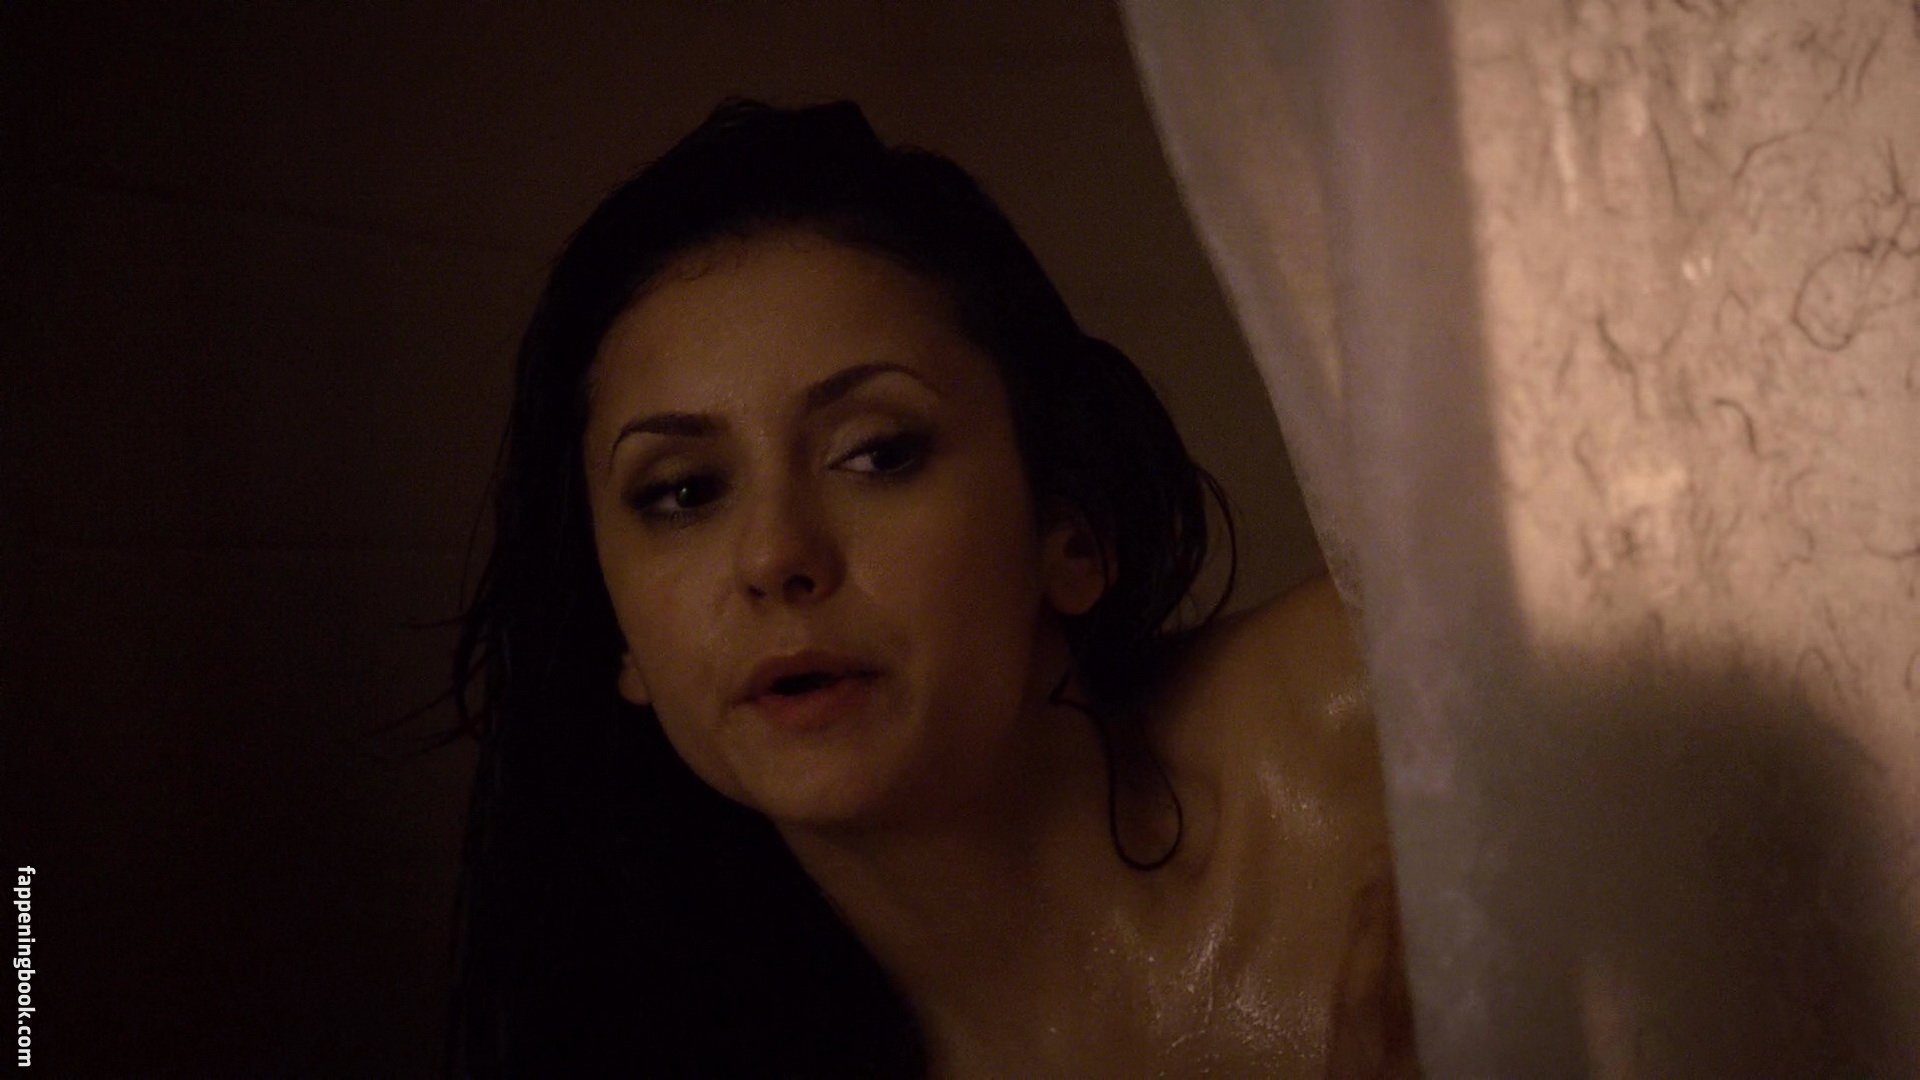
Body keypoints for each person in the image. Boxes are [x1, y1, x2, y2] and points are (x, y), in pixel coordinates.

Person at [449, 98, 1412, 1077]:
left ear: (1070, 534)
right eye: (685, 492)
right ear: (621, 637)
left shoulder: (1397, 729)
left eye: (877, 453)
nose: (774, 555)